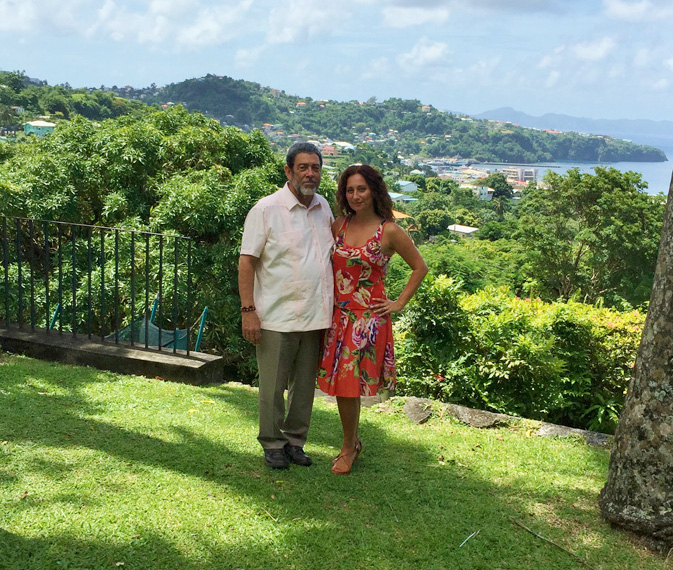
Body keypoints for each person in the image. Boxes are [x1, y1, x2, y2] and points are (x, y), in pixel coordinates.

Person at [317, 164, 427, 475]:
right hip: (338, 316)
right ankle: (351, 442)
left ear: (374, 191)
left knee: (350, 385)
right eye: (350, 190)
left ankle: (348, 447)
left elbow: (419, 267)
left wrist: (398, 302)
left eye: (361, 189)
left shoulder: (389, 230)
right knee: (341, 385)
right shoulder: (338, 226)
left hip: (368, 320)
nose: (355, 195)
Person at [238, 142, 334, 470]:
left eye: (316, 168)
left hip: (316, 315)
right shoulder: (265, 210)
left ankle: (295, 441)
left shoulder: (324, 208)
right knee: (272, 386)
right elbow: (247, 263)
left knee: (304, 386)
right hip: (276, 316)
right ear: (288, 171)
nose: (310, 174)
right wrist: (248, 311)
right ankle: (272, 443)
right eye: (303, 167)